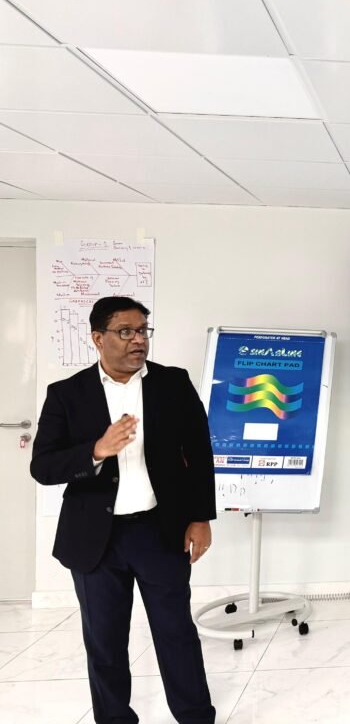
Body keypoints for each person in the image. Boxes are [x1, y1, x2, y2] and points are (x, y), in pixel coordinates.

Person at [31, 296, 217, 724]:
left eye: (143, 331)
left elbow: (199, 454)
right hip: (95, 540)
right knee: (105, 642)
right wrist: (96, 450)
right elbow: (43, 466)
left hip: (160, 531)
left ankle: (195, 717)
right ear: (98, 338)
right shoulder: (67, 394)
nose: (138, 341)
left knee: (176, 632)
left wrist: (200, 517)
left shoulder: (173, 383)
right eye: (126, 332)